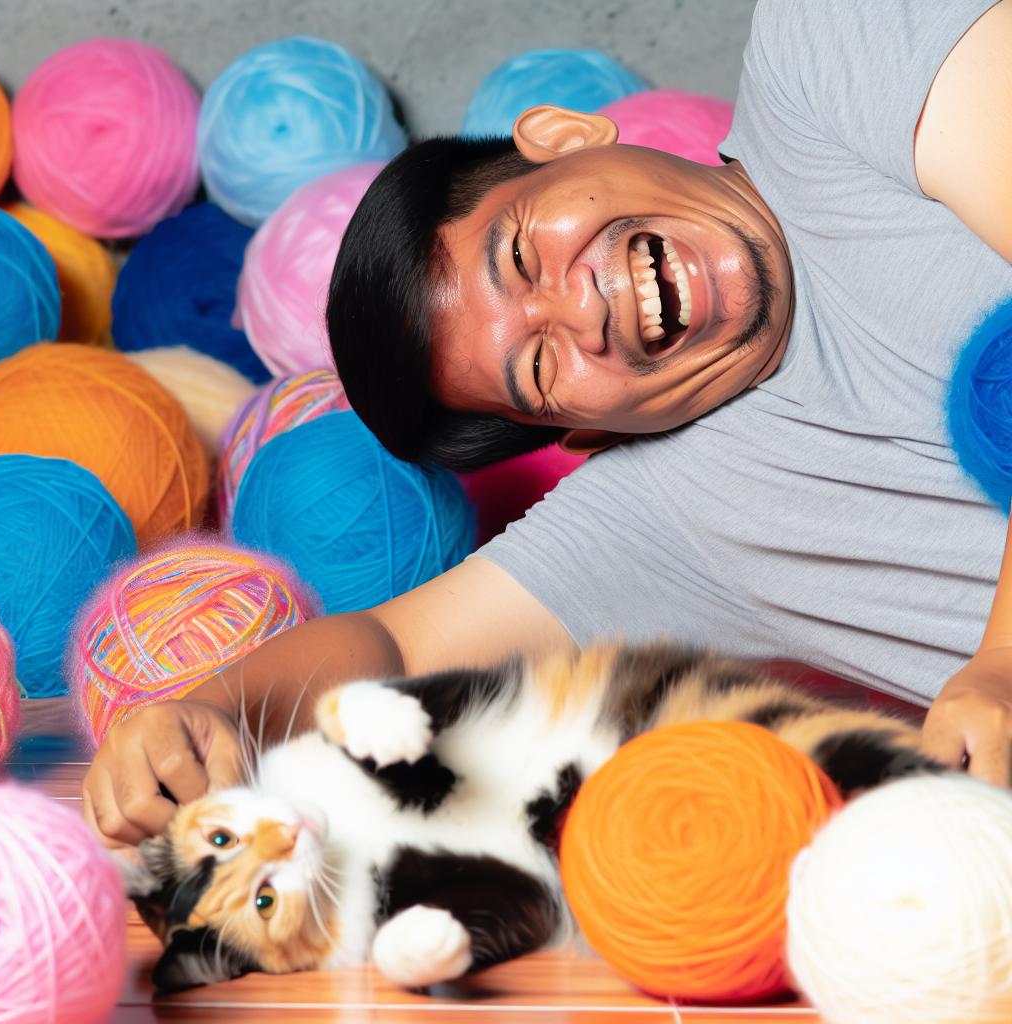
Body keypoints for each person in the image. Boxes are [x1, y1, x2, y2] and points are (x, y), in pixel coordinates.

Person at [84, 0, 1012, 847]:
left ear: (563, 137)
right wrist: (211, 710)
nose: (582, 314)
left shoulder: (833, 44)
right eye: (540, 367)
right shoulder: (670, 518)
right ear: (580, 432)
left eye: (521, 253)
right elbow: (397, 648)